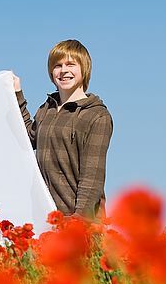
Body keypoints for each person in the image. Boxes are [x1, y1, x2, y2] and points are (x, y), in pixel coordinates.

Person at [13, 40, 113, 220]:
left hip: (81, 222)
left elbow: (92, 178)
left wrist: (78, 222)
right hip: (48, 218)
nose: (64, 70)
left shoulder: (97, 115)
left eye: (70, 64)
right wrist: (16, 94)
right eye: (58, 65)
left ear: (84, 68)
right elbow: (27, 137)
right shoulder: (47, 109)